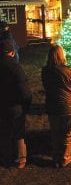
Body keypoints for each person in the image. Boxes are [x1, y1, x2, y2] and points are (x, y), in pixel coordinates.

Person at [41, 44, 71, 168]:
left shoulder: (45, 71)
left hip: (52, 105)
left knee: (56, 132)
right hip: (68, 107)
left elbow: (47, 87)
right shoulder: (68, 71)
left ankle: (56, 156)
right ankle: (65, 157)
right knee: (68, 133)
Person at [0, 39, 32, 168]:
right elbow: (25, 92)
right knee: (18, 133)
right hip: (15, 108)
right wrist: (26, 106)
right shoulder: (15, 68)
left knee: (3, 132)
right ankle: (20, 158)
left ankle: (4, 157)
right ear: (12, 53)